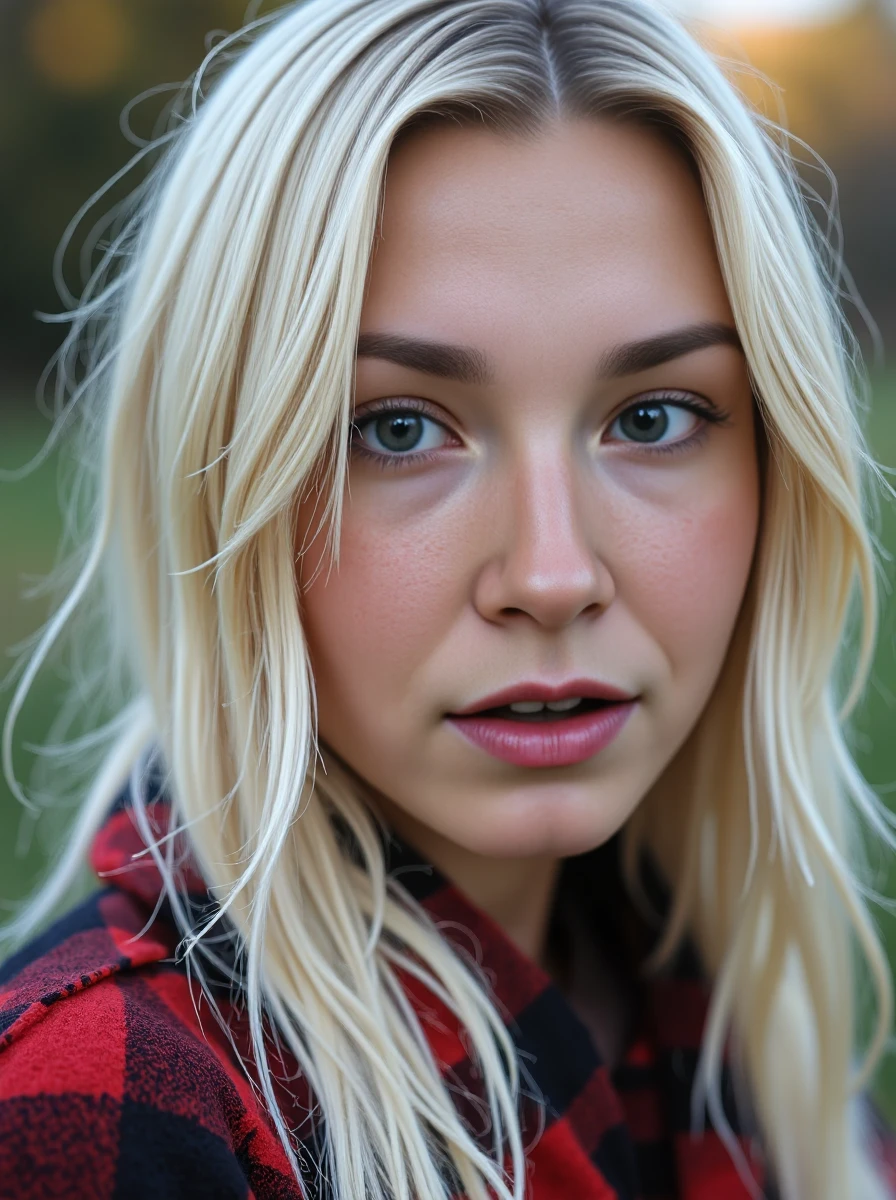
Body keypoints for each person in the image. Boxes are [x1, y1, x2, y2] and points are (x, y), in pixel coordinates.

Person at [1, 0, 895, 1196]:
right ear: (222, 486)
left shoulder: (751, 1054)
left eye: (651, 417)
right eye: (398, 428)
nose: (550, 575)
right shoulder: (108, 1110)